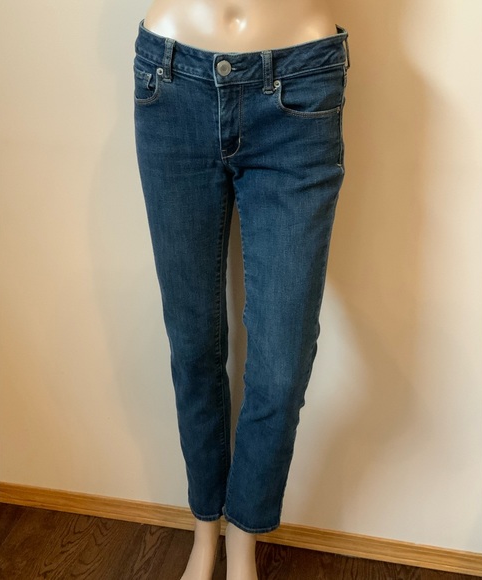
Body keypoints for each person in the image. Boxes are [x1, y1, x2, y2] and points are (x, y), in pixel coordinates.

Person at [133, 2, 350, 578]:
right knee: (194, 347)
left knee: (282, 364)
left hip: (300, 85)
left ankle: (243, 546)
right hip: (172, 79)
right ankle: (205, 534)